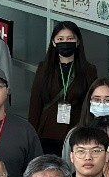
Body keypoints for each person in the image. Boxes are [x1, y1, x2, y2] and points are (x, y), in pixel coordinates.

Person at [28, 22, 98, 155]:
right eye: (60, 39)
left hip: (76, 131)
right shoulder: (44, 68)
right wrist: (31, 133)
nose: (65, 43)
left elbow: (91, 103)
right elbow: (35, 103)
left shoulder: (89, 70)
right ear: (53, 42)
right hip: (47, 132)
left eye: (70, 39)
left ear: (78, 42)